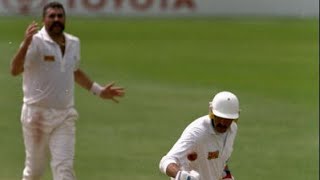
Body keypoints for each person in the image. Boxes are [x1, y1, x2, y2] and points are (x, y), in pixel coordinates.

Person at [10, 2, 125, 180]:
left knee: (64, 169)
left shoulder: (73, 42)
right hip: (36, 116)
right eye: (52, 16)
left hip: (64, 115)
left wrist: (99, 91)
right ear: (43, 20)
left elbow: (73, 70)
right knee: (34, 172)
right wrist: (26, 43)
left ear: (65, 19)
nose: (56, 19)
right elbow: (15, 70)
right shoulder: (36, 42)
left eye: (60, 16)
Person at [159, 91, 240, 180]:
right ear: (211, 112)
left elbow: (221, 159)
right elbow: (165, 162)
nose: (222, 123)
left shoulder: (232, 129)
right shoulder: (197, 132)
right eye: (219, 117)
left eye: (227, 119)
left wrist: (226, 176)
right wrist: (184, 177)